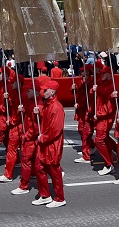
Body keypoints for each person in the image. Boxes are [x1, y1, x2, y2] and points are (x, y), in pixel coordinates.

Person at [31, 80, 66, 208]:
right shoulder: (47, 105)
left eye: (45, 90)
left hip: (52, 144)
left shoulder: (56, 107)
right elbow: (45, 120)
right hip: (45, 143)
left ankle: (60, 198)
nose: (43, 92)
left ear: (52, 91)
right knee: (39, 167)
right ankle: (45, 195)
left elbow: (56, 130)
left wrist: (43, 138)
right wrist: (39, 111)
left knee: (54, 171)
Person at [11, 79, 41, 195]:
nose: (27, 93)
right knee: (34, 160)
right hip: (31, 136)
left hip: (31, 137)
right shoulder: (31, 103)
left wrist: (26, 136)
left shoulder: (37, 105)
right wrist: (23, 110)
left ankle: (24, 186)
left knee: (26, 160)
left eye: (29, 91)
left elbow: (35, 125)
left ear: (36, 92)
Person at [91, 65, 117, 176]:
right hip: (101, 117)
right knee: (104, 139)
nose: (102, 74)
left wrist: (99, 114)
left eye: (105, 73)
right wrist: (94, 91)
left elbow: (109, 107)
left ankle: (108, 164)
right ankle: (114, 158)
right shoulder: (103, 85)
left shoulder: (111, 87)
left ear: (110, 75)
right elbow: (97, 99)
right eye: (102, 73)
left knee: (99, 140)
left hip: (105, 118)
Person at [73, 64, 96, 164]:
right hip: (81, 111)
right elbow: (77, 93)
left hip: (88, 110)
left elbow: (89, 98)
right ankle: (91, 146)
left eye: (84, 71)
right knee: (81, 130)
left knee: (86, 132)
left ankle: (86, 155)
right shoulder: (81, 81)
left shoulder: (91, 82)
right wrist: (73, 88)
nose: (82, 73)